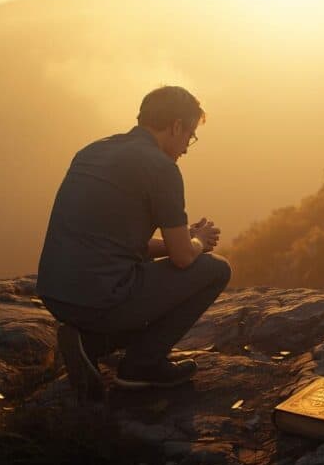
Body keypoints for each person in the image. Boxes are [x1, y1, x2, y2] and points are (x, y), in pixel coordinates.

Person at [36, 85, 231, 399]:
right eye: (189, 135)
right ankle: (142, 364)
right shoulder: (161, 168)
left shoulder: (92, 151)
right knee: (216, 270)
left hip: (56, 293)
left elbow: (118, 241)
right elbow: (183, 258)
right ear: (176, 126)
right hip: (99, 297)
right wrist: (196, 241)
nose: (186, 147)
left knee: (147, 273)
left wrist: (181, 240)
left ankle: (90, 343)